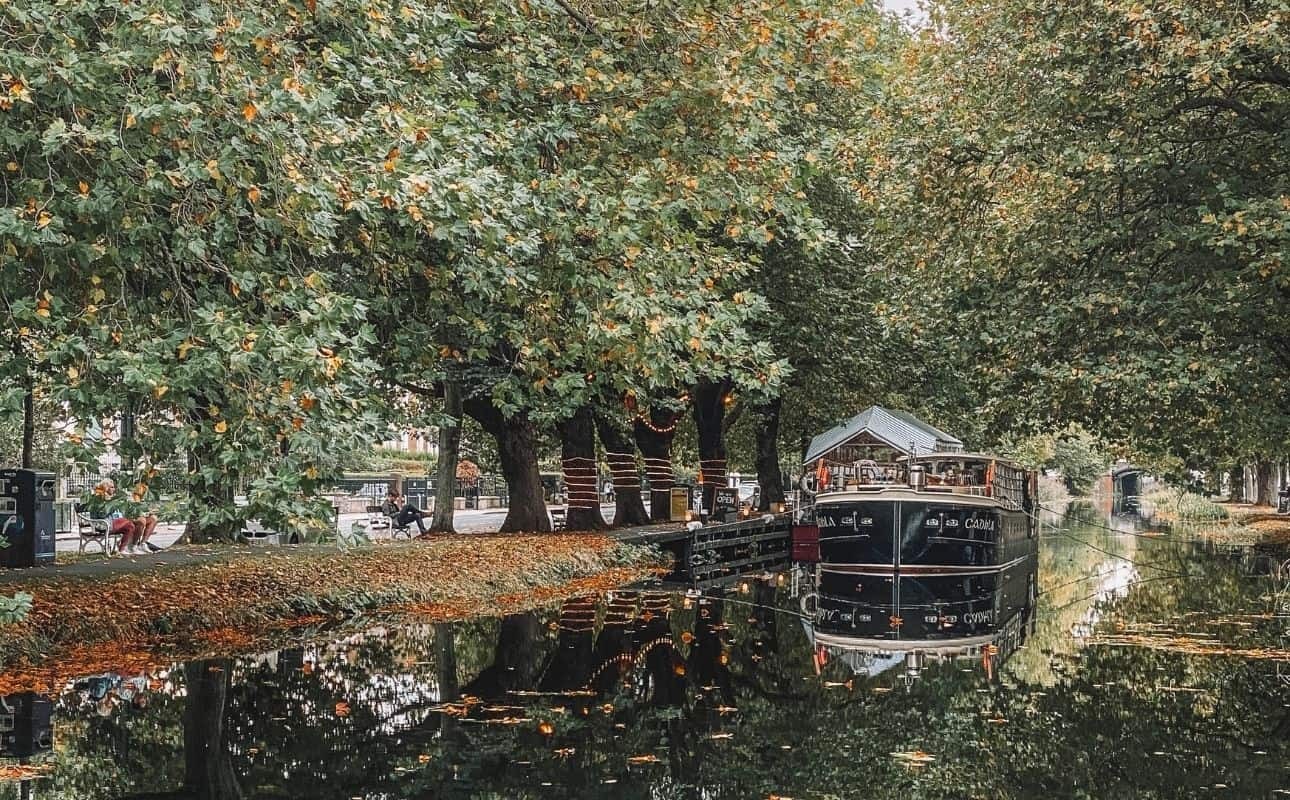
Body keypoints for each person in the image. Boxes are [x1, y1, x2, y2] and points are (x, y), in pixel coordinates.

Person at [86, 479, 159, 556]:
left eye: (114, 487)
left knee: (152, 519)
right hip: (106, 523)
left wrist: (143, 512)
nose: (114, 489)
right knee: (137, 522)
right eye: (111, 487)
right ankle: (130, 547)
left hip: (121, 520)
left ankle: (142, 544)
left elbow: (126, 511)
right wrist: (111, 505)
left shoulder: (115, 498)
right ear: (105, 488)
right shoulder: (98, 498)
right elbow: (102, 514)